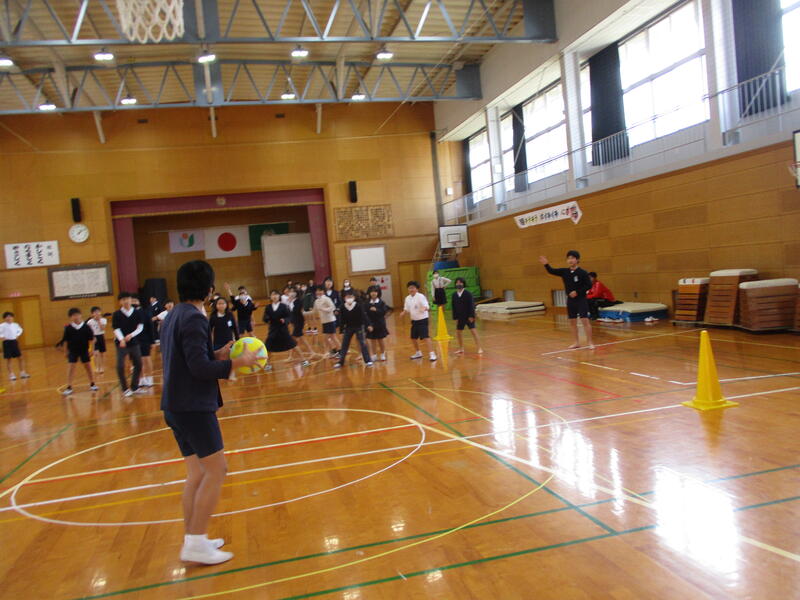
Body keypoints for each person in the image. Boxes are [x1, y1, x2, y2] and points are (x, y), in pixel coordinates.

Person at [160, 259, 258, 565]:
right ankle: (196, 542)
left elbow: (190, 359)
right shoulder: (195, 318)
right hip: (193, 407)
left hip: (175, 405)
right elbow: (199, 369)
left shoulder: (174, 315)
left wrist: (217, 354)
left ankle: (193, 539)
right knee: (217, 470)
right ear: (209, 289)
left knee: (197, 473)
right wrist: (237, 363)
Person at [540, 251, 594, 349]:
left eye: (572, 258)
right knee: (572, 321)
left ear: (577, 260)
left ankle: (590, 342)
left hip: (581, 299)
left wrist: (577, 292)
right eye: (568, 258)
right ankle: (576, 342)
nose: (570, 260)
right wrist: (546, 264)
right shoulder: (564, 271)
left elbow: (589, 285)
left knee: (584, 320)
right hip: (570, 300)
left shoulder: (583, 272)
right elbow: (551, 271)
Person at [56, 308, 98, 395]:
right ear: (70, 317)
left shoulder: (86, 327)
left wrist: (92, 350)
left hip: (84, 350)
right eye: (73, 316)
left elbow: (92, 339)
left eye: (77, 315)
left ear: (80, 315)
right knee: (71, 367)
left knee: (88, 367)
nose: (76, 317)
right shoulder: (68, 328)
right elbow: (66, 341)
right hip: (73, 351)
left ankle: (92, 384)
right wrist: (65, 351)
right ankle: (69, 386)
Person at [112, 291, 145, 397]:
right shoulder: (116, 314)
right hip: (121, 344)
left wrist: (131, 335)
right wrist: (121, 339)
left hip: (134, 343)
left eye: (128, 299)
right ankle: (125, 389)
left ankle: (134, 386)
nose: (126, 301)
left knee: (138, 364)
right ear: (120, 302)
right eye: (123, 299)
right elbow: (116, 328)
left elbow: (140, 327)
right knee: (120, 366)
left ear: (131, 300)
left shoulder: (137, 312)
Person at [334, 290, 373, 368]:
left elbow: (364, 316)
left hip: (359, 326)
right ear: (344, 298)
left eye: (351, 297)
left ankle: (368, 360)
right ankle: (340, 362)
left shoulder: (358, 305)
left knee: (362, 343)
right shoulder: (343, 307)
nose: (349, 298)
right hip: (348, 327)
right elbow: (342, 319)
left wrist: (368, 325)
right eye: (347, 297)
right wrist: (341, 329)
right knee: (344, 345)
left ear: (354, 297)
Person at [400, 281, 437, 361]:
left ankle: (432, 354)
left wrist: (424, 308)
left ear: (417, 289)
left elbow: (427, 306)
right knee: (413, 338)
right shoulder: (407, 298)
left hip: (423, 320)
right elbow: (406, 309)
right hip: (414, 321)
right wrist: (403, 312)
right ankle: (418, 353)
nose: (411, 289)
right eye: (409, 288)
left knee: (425, 337)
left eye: (413, 288)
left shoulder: (420, 296)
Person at [262, 289, 299, 369]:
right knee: (268, 347)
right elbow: (264, 318)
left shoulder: (283, 306)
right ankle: (267, 364)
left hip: (283, 330)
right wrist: (267, 319)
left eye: (276, 294)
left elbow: (289, 316)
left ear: (279, 296)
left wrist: (285, 320)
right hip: (273, 330)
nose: (274, 296)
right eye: (273, 294)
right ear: (270, 297)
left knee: (293, 345)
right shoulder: (268, 307)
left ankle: (304, 360)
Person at [452, 277, 483, 354]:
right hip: (460, 317)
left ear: (463, 284)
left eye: (460, 282)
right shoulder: (454, 295)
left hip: (468, 316)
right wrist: (455, 317)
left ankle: (479, 348)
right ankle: (461, 348)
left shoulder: (468, 294)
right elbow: (454, 307)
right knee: (458, 332)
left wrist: (471, 316)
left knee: (473, 331)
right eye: (457, 282)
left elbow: (471, 305)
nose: (458, 284)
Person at [133, 296, 156, 389]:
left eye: (135, 300)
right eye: (132, 300)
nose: (133, 302)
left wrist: (152, 341)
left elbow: (150, 327)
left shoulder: (145, 312)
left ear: (139, 302)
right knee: (137, 360)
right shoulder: (130, 314)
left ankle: (149, 378)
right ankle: (141, 378)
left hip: (145, 339)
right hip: (134, 340)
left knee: (146, 358)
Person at [0, 312, 29, 381]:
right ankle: (11, 375)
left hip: (14, 342)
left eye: (10, 316)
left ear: (12, 318)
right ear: (4, 318)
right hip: (7, 343)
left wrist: (17, 335)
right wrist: (2, 337)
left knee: (20, 358)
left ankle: (22, 373)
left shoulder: (15, 325)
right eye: (7, 317)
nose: (9, 318)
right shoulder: (2, 325)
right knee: (9, 359)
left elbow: (20, 330)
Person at [288, 288, 313, 365]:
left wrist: (305, 321)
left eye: (293, 291)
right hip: (294, 322)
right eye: (290, 291)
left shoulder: (298, 301)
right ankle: (311, 351)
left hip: (299, 322)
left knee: (293, 340)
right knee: (302, 338)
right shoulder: (290, 302)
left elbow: (299, 312)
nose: (291, 293)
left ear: (296, 293)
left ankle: (291, 356)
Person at [313, 286, 340, 357]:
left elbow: (332, 307)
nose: (318, 292)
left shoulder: (327, 299)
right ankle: (334, 351)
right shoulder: (316, 301)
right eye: (317, 291)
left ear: (323, 291)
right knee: (327, 338)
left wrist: (323, 309)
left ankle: (340, 351)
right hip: (324, 321)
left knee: (332, 337)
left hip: (330, 320)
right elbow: (314, 310)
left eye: (320, 290)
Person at [365, 287, 389, 361]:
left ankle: (382, 354)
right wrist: (368, 324)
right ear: (369, 293)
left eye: (375, 291)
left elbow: (384, 312)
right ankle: (374, 355)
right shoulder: (367, 303)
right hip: (371, 324)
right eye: (372, 291)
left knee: (380, 339)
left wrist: (376, 310)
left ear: (378, 293)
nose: (373, 293)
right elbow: (365, 314)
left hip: (380, 324)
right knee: (372, 340)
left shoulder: (381, 302)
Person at [87, 306, 108, 374]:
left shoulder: (103, 320)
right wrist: (92, 337)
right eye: (95, 312)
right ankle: (97, 367)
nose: (97, 313)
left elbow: (102, 329)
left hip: (101, 336)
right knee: (96, 353)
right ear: (92, 314)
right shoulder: (89, 322)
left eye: (98, 312)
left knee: (102, 353)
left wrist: (99, 321)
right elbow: (89, 331)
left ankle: (102, 367)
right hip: (94, 337)